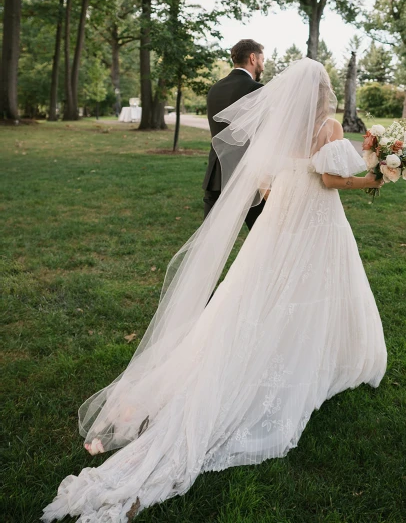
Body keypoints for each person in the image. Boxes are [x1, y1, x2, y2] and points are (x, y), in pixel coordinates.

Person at [43, 58, 386, 523]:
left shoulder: (282, 127)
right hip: (314, 224)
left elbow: (266, 182)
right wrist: (377, 175)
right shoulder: (327, 124)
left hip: (280, 223)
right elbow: (329, 180)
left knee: (253, 296)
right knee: (309, 294)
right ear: (323, 89)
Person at [203, 39, 265, 229]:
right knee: (264, 238)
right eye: (263, 59)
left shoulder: (215, 89)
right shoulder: (257, 90)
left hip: (217, 175)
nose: (263, 65)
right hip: (249, 176)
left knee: (209, 241)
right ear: (253, 58)